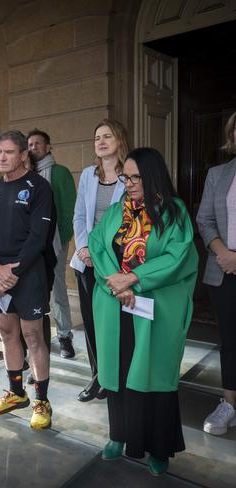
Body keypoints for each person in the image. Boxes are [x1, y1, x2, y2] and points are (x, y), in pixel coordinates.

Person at [89, 147, 198, 476]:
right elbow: (97, 245)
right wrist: (116, 284)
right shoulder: (117, 210)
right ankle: (117, 436)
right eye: (127, 176)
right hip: (116, 306)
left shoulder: (174, 212)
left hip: (154, 309)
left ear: (153, 177)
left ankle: (158, 447)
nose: (130, 183)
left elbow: (178, 257)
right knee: (118, 374)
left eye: (136, 177)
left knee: (152, 375)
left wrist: (134, 278)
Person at [0, 130, 54, 430]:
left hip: (29, 272)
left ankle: (41, 401)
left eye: (8, 152)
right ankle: (16, 393)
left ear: (24, 155)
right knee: (7, 333)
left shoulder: (39, 188)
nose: (2, 157)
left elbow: (39, 237)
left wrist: (13, 271)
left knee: (33, 336)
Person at [71, 119, 128, 402]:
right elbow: (80, 215)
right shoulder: (88, 175)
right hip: (87, 262)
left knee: (114, 324)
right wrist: (83, 247)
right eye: (97, 138)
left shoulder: (130, 175)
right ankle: (97, 377)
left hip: (116, 265)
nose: (101, 141)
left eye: (107, 136)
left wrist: (102, 253)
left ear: (119, 140)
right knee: (92, 324)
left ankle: (114, 376)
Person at [196, 111, 236, 436]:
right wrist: (223, 253)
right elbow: (204, 219)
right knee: (229, 341)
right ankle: (229, 404)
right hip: (223, 271)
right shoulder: (217, 174)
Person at [28, 128, 77, 359]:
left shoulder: (60, 173)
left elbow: (69, 209)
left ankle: (65, 336)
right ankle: (40, 340)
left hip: (55, 242)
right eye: (30, 144)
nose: (33, 147)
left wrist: (62, 240)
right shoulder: (25, 174)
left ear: (48, 148)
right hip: (30, 246)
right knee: (36, 293)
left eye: (38, 143)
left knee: (58, 290)